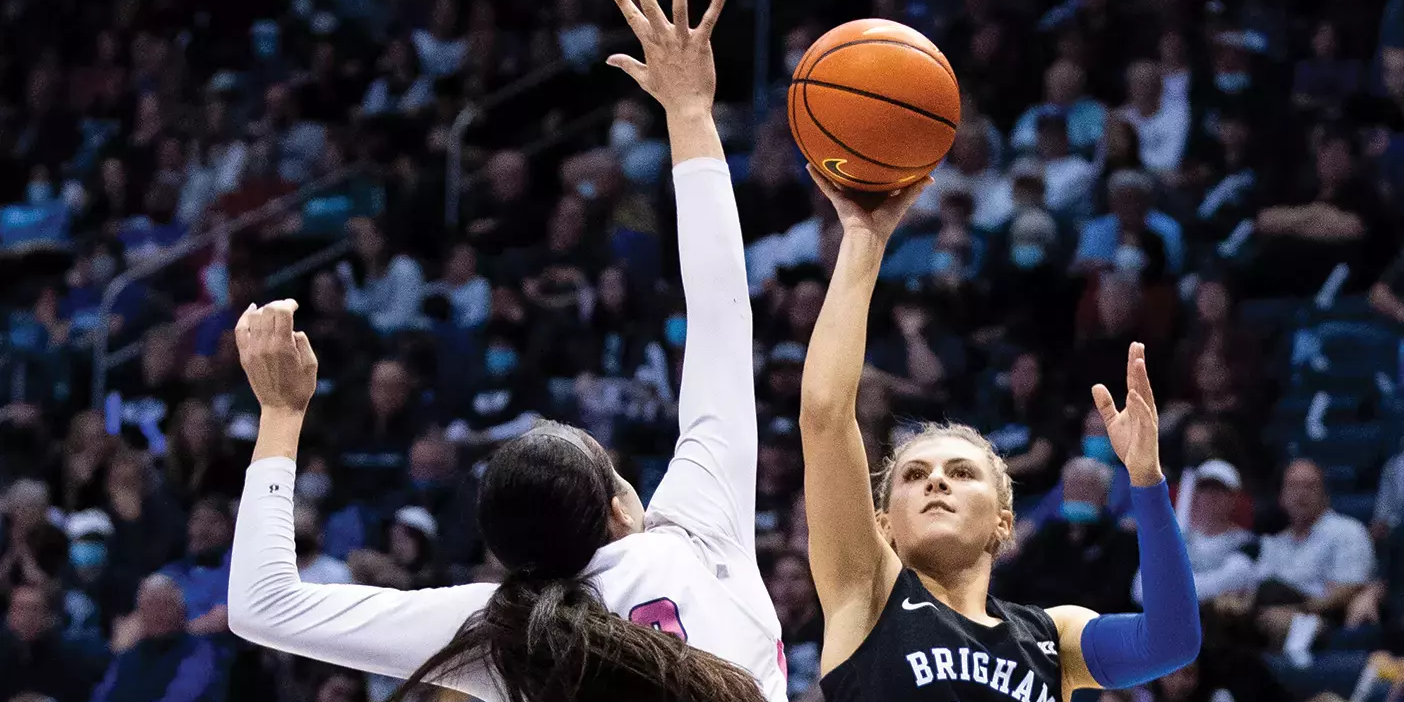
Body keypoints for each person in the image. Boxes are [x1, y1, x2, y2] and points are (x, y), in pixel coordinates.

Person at [226, 2, 786, 702]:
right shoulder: (696, 533)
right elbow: (719, 311)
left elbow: (260, 607)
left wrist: (279, 413)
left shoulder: (502, 629)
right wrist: (692, 113)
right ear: (618, 507)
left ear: (508, 558)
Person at [798, 167, 1201, 702]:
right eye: (914, 476)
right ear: (883, 525)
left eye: (961, 473)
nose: (936, 482)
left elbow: (1171, 642)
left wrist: (1147, 481)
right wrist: (864, 241)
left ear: (1003, 523)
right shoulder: (866, 595)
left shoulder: (1053, 638)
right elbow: (826, 416)